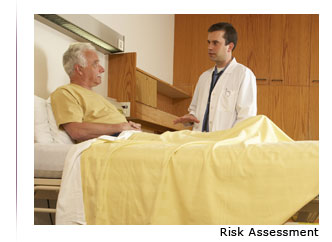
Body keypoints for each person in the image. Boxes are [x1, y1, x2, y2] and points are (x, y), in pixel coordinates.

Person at [173, 22, 257, 132]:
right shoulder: (204, 77)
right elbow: (194, 109)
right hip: (200, 142)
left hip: (225, 144)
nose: (209, 47)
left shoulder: (243, 74)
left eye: (215, 43)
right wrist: (190, 117)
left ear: (229, 47)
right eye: (209, 42)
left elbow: (246, 118)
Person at [51, 42, 141, 143]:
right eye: (95, 64)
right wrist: (121, 127)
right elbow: (76, 131)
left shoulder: (101, 98)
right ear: (79, 69)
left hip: (128, 138)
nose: (102, 69)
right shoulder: (65, 92)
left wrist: (130, 127)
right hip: (114, 142)